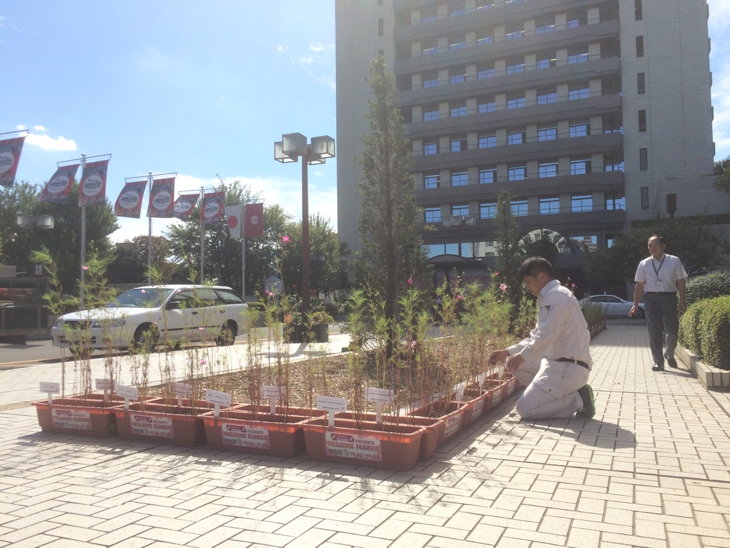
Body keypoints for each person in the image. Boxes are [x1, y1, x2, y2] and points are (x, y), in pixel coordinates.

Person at [488, 257, 595, 420]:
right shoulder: (548, 297)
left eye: (529, 282)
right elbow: (537, 335)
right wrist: (508, 352)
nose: (527, 287)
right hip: (555, 364)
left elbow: (547, 334)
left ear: (542, 277)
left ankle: (577, 399)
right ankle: (555, 395)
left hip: (568, 367)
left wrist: (523, 356)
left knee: (525, 410)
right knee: (512, 363)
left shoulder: (557, 296)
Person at [630, 235, 687, 371]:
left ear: (663, 246)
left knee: (672, 330)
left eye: (655, 244)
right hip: (651, 299)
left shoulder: (674, 261)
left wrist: (682, 300)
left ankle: (669, 353)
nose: (652, 248)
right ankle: (658, 362)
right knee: (654, 332)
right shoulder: (644, 264)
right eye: (650, 245)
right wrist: (635, 304)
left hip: (669, 297)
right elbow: (639, 285)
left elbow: (681, 281)